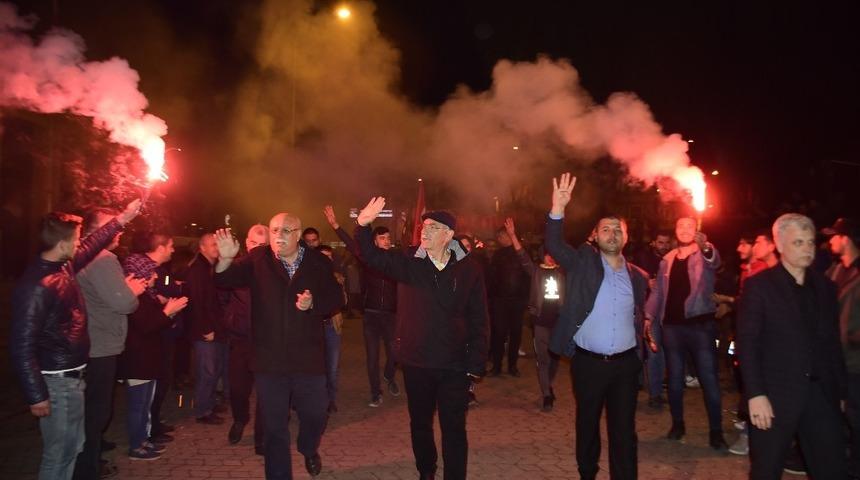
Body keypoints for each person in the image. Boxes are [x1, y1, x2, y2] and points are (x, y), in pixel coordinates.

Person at [355, 197, 489, 480]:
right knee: (420, 423)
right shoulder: (409, 263)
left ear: (449, 235)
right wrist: (363, 224)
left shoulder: (469, 269)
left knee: (454, 427)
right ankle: (426, 471)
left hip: (454, 363)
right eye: (424, 226)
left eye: (433, 227)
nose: (425, 231)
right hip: (417, 362)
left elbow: (479, 317)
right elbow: (372, 256)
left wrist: (477, 361)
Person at [10, 199, 140, 480]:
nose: (81, 243)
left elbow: (92, 245)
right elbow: (21, 345)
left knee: (73, 447)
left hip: (73, 376)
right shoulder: (36, 286)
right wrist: (36, 395)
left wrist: (122, 218)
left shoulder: (62, 267)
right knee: (59, 454)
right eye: (76, 239)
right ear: (62, 244)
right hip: (57, 382)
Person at [214, 213, 344, 479]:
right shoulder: (257, 259)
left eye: (286, 230)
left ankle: (308, 447)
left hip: (307, 358)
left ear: (298, 234)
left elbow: (335, 299)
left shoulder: (318, 261)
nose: (278, 236)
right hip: (269, 359)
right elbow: (225, 280)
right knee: (274, 427)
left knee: (316, 415)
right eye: (274, 230)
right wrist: (225, 260)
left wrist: (314, 304)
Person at [545, 173, 649, 480]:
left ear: (626, 237)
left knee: (624, 431)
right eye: (606, 229)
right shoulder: (583, 262)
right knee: (588, 423)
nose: (612, 234)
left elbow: (640, 314)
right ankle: (587, 473)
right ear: (595, 236)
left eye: (618, 230)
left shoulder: (638, 277)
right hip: (589, 363)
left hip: (625, 366)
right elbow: (554, 244)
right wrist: (558, 209)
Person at [737, 213, 847, 479]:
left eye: (810, 242)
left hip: (821, 394)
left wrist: (840, 391)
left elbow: (833, 344)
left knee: (831, 468)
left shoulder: (826, 287)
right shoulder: (759, 286)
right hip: (775, 394)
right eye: (798, 242)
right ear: (780, 244)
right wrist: (755, 394)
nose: (807, 248)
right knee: (767, 469)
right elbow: (748, 343)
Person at [72, 208, 146, 479]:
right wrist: (132, 291)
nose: (118, 231)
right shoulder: (102, 259)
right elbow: (124, 303)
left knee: (88, 410)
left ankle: (89, 458)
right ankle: (87, 468)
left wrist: (122, 288)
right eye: (111, 225)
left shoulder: (81, 257)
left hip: (88, 341)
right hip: (100, 343)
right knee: (96, 411)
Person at [644, 216, 727, 449]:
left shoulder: (704, 252)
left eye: (690, 226)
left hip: (700, 326)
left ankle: (716, 431)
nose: (684, 229)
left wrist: (706, 247)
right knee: (675, 378)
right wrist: (649, 316)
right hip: (672, 327)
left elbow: (715, 261)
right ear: (676, 230)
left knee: (708, 378)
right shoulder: (667, 259)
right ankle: (677, 424)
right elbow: (659, 292)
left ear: (697, 230)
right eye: (680, 225)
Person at [117, 257, 188, 460]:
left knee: (145, 405)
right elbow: (146, 326)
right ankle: (136, 445)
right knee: (138, 405)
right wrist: (167, 312)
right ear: (141, 275)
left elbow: (156, 324)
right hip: (138, 361)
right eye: (151, 272)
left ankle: (144, 440)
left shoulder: (147, 296)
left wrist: (168, 313)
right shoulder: (135, 299)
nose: (156, 275)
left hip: (148, 359)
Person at [222, 225, 268, 450]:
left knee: (266, 391)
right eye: (253, 243)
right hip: (240, 339)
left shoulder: (276, 270)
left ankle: (262, 437)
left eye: (262, 244)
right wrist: (229, 320)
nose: (257, 248)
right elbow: (219, 292)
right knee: (238, 388)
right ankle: (240, 419)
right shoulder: (236, 267)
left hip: (266, 342)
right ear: (247, 243)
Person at [822, 217, 860, 478]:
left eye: (834, 236)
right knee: (838, 417)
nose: (830, 241)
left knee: (857, 421)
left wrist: (851, 338)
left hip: (855, 363)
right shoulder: (835, 271)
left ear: (846, 239)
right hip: (836, 361)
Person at [186, 233, 229, 425]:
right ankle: (203, 410)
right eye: (212, 244)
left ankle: (209, 404)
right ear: (202, 247)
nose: (216, 248)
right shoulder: (198, 270)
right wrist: (206, 328)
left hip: (215, 327)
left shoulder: (210, 267)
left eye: (217, 244)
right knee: (208, 371)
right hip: (206, 330)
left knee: (215, 369)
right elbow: (197, 301)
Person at [487, 223, 531, 376]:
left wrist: (526, 298)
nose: (499, 239)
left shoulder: (521, 252)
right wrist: (492, 299)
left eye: (501, 236)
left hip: (518, 301)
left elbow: (528, 276)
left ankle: (512, 366)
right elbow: (492, 277)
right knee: (499, 334)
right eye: (498, 237)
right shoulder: (498, 254)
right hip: (500, 301)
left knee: (515, 334)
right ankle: (497, 366)